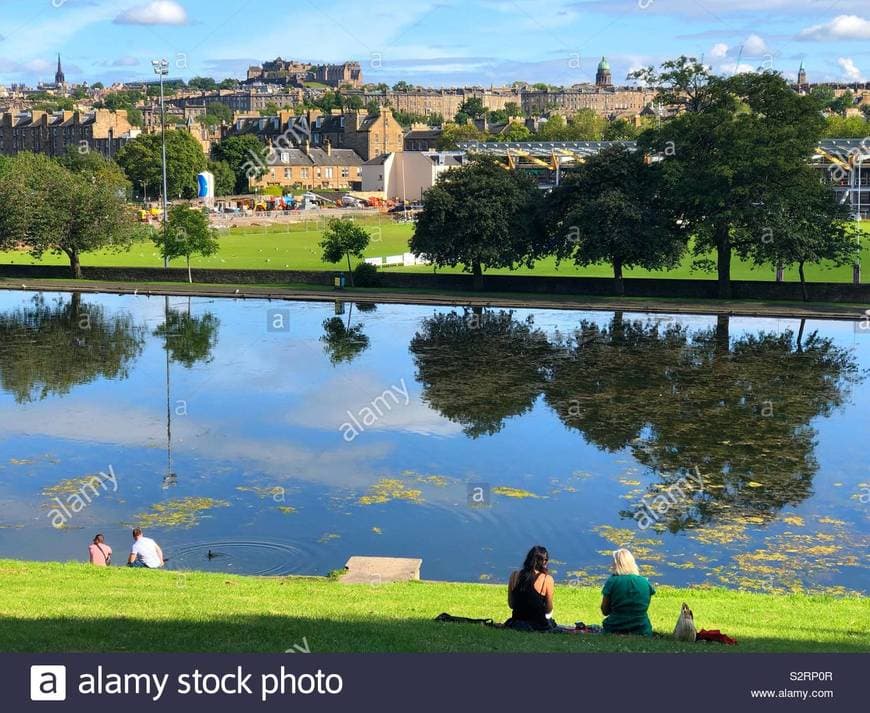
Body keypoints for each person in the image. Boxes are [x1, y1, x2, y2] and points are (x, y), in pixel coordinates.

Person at [601, 548, 655, 636]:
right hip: (643, 630)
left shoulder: (612, 581)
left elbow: (605, 611)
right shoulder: (645, 582)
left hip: (615, 628)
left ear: (617, 564)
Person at [506, 545, 555, 631]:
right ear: (543, 562)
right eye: (546, 560)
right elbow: (548, 610)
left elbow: (511, 604)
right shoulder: (547, 579)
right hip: (538, 624)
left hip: (517, 622)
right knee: (552, 622)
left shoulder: (514, 576)